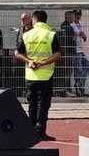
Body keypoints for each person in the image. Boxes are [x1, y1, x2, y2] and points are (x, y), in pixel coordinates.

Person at [16, 10, 60, 142]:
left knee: (32, 104)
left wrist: (29, 61)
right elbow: (58, 55)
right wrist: (43, 63)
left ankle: (30, 131)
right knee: (43, 104)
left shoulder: (27, 35)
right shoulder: (51, 35)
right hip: (46, 75)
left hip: (30, 75)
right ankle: (40, 131)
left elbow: (17, 53)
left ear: (34, 20)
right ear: (45, 20)